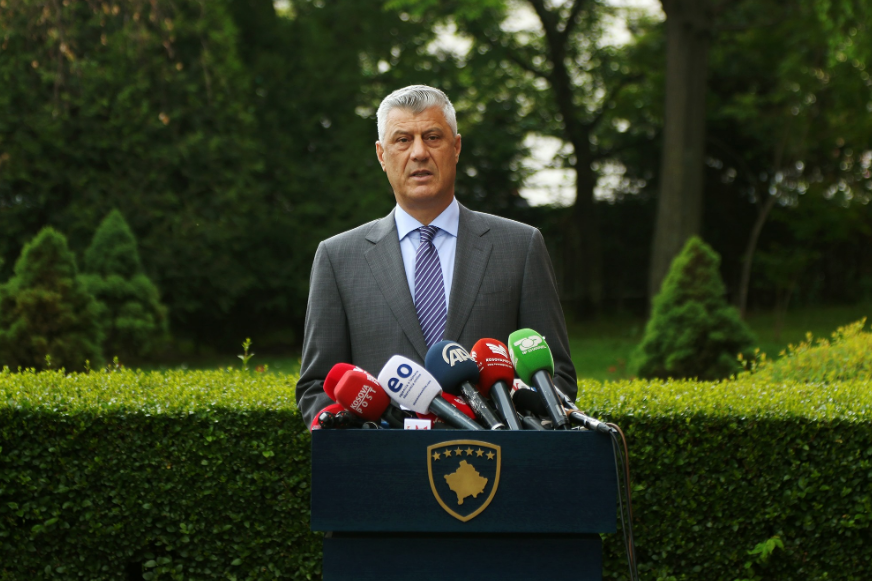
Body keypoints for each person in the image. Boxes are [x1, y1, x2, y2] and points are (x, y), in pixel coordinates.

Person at [296, 85, 576, 426]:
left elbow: (555, 379)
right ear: (382, 155)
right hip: (385, 457)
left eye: (432, 137)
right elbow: (317, 388)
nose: (418, 153)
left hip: (496, 455)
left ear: (456, 148)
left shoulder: (520, 247)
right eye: (402, 140)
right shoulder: (338, 258)